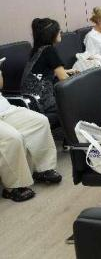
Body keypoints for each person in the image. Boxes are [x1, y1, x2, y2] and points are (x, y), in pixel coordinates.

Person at [0, 68, 61, 202]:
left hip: (4, 109)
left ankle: (42, 169)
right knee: (12, 138)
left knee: (40, 122)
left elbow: (1, 84)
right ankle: (13, 187)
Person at [21, 18, 76, 114]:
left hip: (31, 100)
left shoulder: (37, 49)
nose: (61, 32)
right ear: (51, 34)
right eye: (58, 30)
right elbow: (64, 79)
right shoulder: (49, 50)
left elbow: (42, 73)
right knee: (81, 99)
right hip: (44, 101)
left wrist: (65, 71)